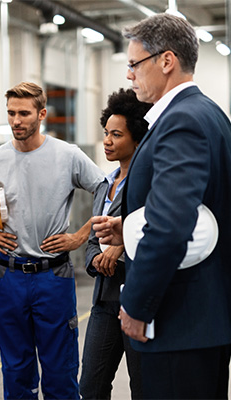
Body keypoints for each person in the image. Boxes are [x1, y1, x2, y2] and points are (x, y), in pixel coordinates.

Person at [92, 13, 231, 399]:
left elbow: (172, 225)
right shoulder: (208, 114)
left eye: (134, 64)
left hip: (178, 322)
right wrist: (130, 227)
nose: (130, 75)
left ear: (166, 61)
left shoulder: (181, 121)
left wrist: (137, 305)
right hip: (200, 321)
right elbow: (201, 210)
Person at [0, 81, 104, 400]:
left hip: (53, 276)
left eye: (23, 113)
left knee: (60, 369)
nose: (16, 120)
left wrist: (81, 236)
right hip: (8, 277)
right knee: (16, 370)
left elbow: (105, 190)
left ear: (41, 114)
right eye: (11, 113)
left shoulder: (67, 156)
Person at [80, 88, 151, 400]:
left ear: (136, 138)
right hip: (104, 300)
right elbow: (91, 237)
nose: (107, 140)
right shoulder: (103, 185)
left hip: (137, 296)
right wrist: (96, 257)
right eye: (106, 133)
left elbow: (155, 230)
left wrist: (120, 247)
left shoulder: (148, 184)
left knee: (144, 386)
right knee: (91, 387)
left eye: (116, 134)